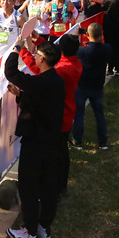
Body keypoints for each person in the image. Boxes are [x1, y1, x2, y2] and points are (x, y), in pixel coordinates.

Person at [4, 38, 65, 238]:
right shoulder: (56, 81)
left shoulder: (41, 82)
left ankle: (29, 233)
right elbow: (42, 104)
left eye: (37, 54)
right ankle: (43, 228)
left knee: (28, 186)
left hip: (36, 142)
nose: (35, 56)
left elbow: (10, 73)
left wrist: (16, 50)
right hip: (51, 142)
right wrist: (21, 95)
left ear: (42, 59)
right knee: (48, 186)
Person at [19, 34, 82, 197]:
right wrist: (39, 40)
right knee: (61, 152)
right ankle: (59, 186)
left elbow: (40, 69)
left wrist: (23, 52)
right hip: (68, 113)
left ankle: (57, 188)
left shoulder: (61, 70)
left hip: (60, 117)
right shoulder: (74, 62)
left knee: (58, 155)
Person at [72, 22, 110, 150]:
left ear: (87, 34)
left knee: (79, 114)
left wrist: (77, 37)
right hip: (98, 86)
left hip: (82, 86)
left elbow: (73, 51)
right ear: (102, 34)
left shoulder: (81, 51)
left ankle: (77, 141)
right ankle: (103, 141)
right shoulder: (107, 49)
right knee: (99, 114)